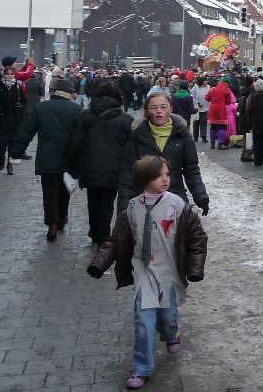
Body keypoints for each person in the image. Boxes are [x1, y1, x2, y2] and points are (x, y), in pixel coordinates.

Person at [88, 156, 208, 390]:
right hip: (144, 270)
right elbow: (116, 240)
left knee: (168, 318)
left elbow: (197, 238)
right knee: (143, 320)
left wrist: (195, 268)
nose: (165, 179)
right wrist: (99, 263)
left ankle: (171, 333)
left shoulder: (177, 205)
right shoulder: (133, 208)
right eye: (158, 176)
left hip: (169, 271)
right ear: (144, 180)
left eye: (167, 174)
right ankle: (142, 368)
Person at [116, 91, 209, 216]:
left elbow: (191, 170)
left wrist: (201, 196)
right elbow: (127, 174)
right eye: (154, 107)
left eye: (163, 107)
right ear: (147, 111)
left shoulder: (182, 135)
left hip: (175, 196)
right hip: (144, 200)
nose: (159, 111)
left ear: (170, 109)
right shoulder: (137, 136)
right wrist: (124, 208)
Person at [11, 77, 82, 240]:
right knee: (64, 189)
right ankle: (62, 218)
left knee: (49, 191)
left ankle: (52, 223)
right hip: (68, 159)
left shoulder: (41, 107)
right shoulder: (76, 109)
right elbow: (81, 136)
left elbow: (26, 131)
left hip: (46, 157)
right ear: (69, 92)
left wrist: (16, 152)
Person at [67, 82, 134, 245]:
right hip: (114, 170)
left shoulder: (84, 115)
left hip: (89, 169)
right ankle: (103, 234)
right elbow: (131, 148)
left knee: (93, 200)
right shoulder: (126, 119)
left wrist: (71, 167)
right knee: (107, 202)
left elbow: (74, 142)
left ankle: (94, 231)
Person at [0, 64, 27, 174]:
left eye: (11, 74)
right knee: (3, 142)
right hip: (1, 118)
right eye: (7, 74)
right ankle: (2, 158)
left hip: (15, 119)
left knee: (12, 143)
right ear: (4, 75)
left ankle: (9, 164)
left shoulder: (17, 86)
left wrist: (21, 113)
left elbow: (24, 101)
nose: (9, 76)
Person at [205, 76, 234, 149]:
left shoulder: (213, 89)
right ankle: (221, 143)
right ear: (227, 83)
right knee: (222, 126)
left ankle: (212, 144)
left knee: (213, 126)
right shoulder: (227, 90)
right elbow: (228, 102)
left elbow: (207, 98)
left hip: (212, 108)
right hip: (221, 109)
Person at [247, 79, 263, 167]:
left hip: (255, 123)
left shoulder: (251, 97)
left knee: (256, 142)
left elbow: (248, 110)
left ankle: (257, 160)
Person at [191, 77, 210, 143]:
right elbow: (192, 96)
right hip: (197, 107)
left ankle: (203, 137)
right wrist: (197, 103)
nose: (206, 82)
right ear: (201, 82)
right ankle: (195, 137)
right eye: (205, 81)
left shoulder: (208, 87)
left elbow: (210, 96)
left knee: (204, 122)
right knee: (196, 122)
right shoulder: (195, 87)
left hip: (205, 107)